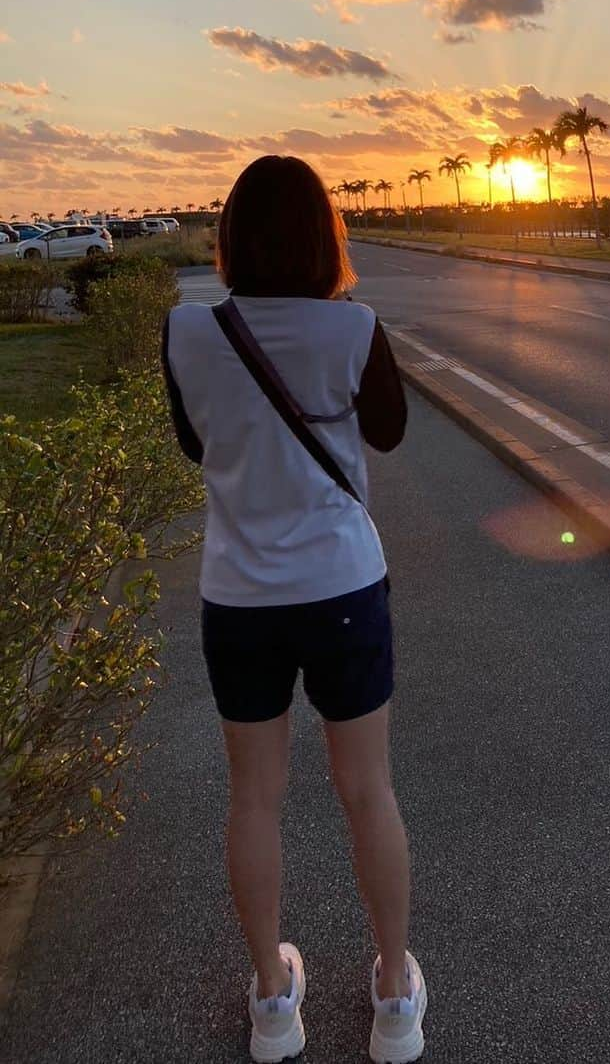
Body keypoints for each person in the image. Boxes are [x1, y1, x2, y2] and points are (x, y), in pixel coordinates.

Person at [161, 155, 426, 1064]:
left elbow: (197, 442)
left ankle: (274, 1003)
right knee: (368, 792)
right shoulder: (353, 330)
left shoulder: (189, 332)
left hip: (238, 597)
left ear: (231, 236)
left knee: (255, 800)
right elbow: (387, 432)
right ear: (326, 235)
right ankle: (394, 994)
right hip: (344, 589)